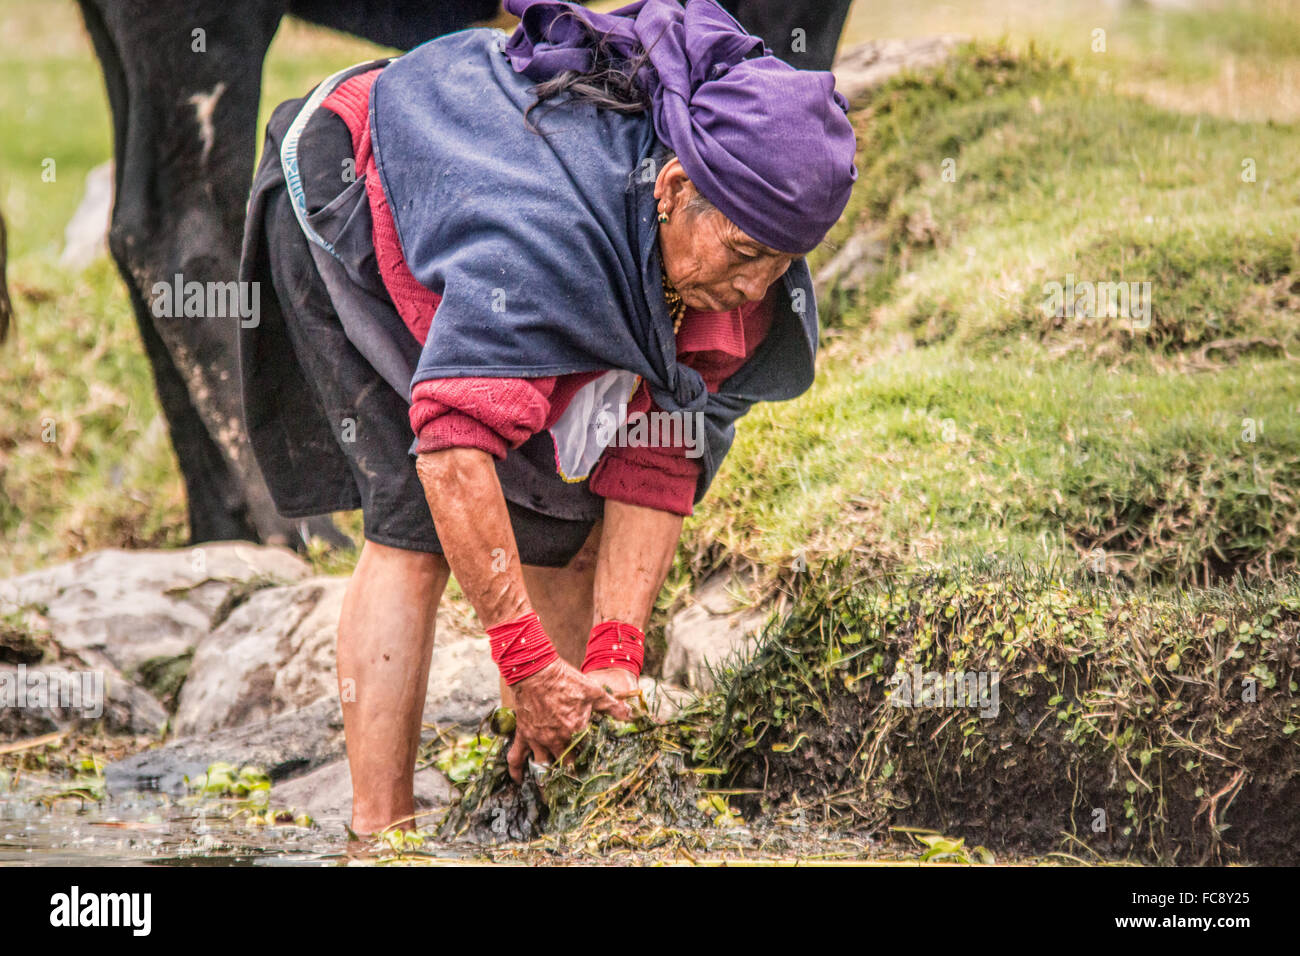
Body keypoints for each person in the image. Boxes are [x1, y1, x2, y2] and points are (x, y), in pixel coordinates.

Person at [237, 0, 857, 835]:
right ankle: (380, 835)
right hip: (355, 182)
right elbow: (454, 454)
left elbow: (659, 450)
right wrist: (527, 664)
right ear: (674, 189)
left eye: (779, 263)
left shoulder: (741, 273)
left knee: (565, 521)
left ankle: (548, 783)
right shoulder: (544, 243)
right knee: (414, 526)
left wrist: (615, 660)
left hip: (522, 224)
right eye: (745, 255)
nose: (755, 284)